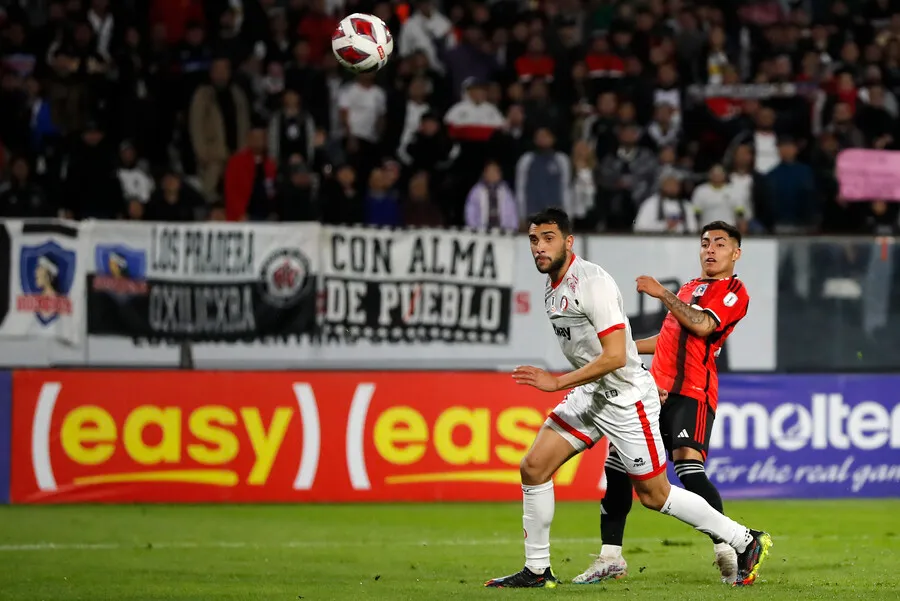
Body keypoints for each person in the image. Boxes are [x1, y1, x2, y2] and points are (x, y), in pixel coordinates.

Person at [484, 209, 771, 589]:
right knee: (534, 467)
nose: (540, 247)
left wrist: (557, 383)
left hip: (626, 398)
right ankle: (539, 570)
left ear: (568, 242)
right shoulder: (556, 284)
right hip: (594, 392)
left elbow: (617, 357)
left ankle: (743, 540)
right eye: (534, 239)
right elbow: (644, 345)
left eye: (549, 238)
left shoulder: (591, 283)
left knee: (657, 494)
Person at [574, 220, 752, 586]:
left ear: (736, 252)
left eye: (720, 243)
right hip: (652, 392)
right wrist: (621, 347)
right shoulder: (690, 287)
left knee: (688, 471)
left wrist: (661, 294)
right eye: (705, 243)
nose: (710, 249)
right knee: (617, 467)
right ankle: (611, 556)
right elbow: (669, 336)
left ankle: (729, 549)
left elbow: (702, 325)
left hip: (693, 392)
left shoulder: (734, 291)